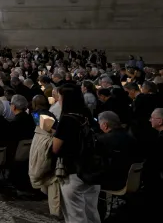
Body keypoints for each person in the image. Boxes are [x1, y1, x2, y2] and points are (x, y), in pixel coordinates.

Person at [52, 84, 100, 223]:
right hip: (92, 169)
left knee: (75, 215)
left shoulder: (67, 119)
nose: (58, 100)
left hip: (74, 171)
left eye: (60, 97)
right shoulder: (87, 114)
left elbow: (55, 148)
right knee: (91, 212)